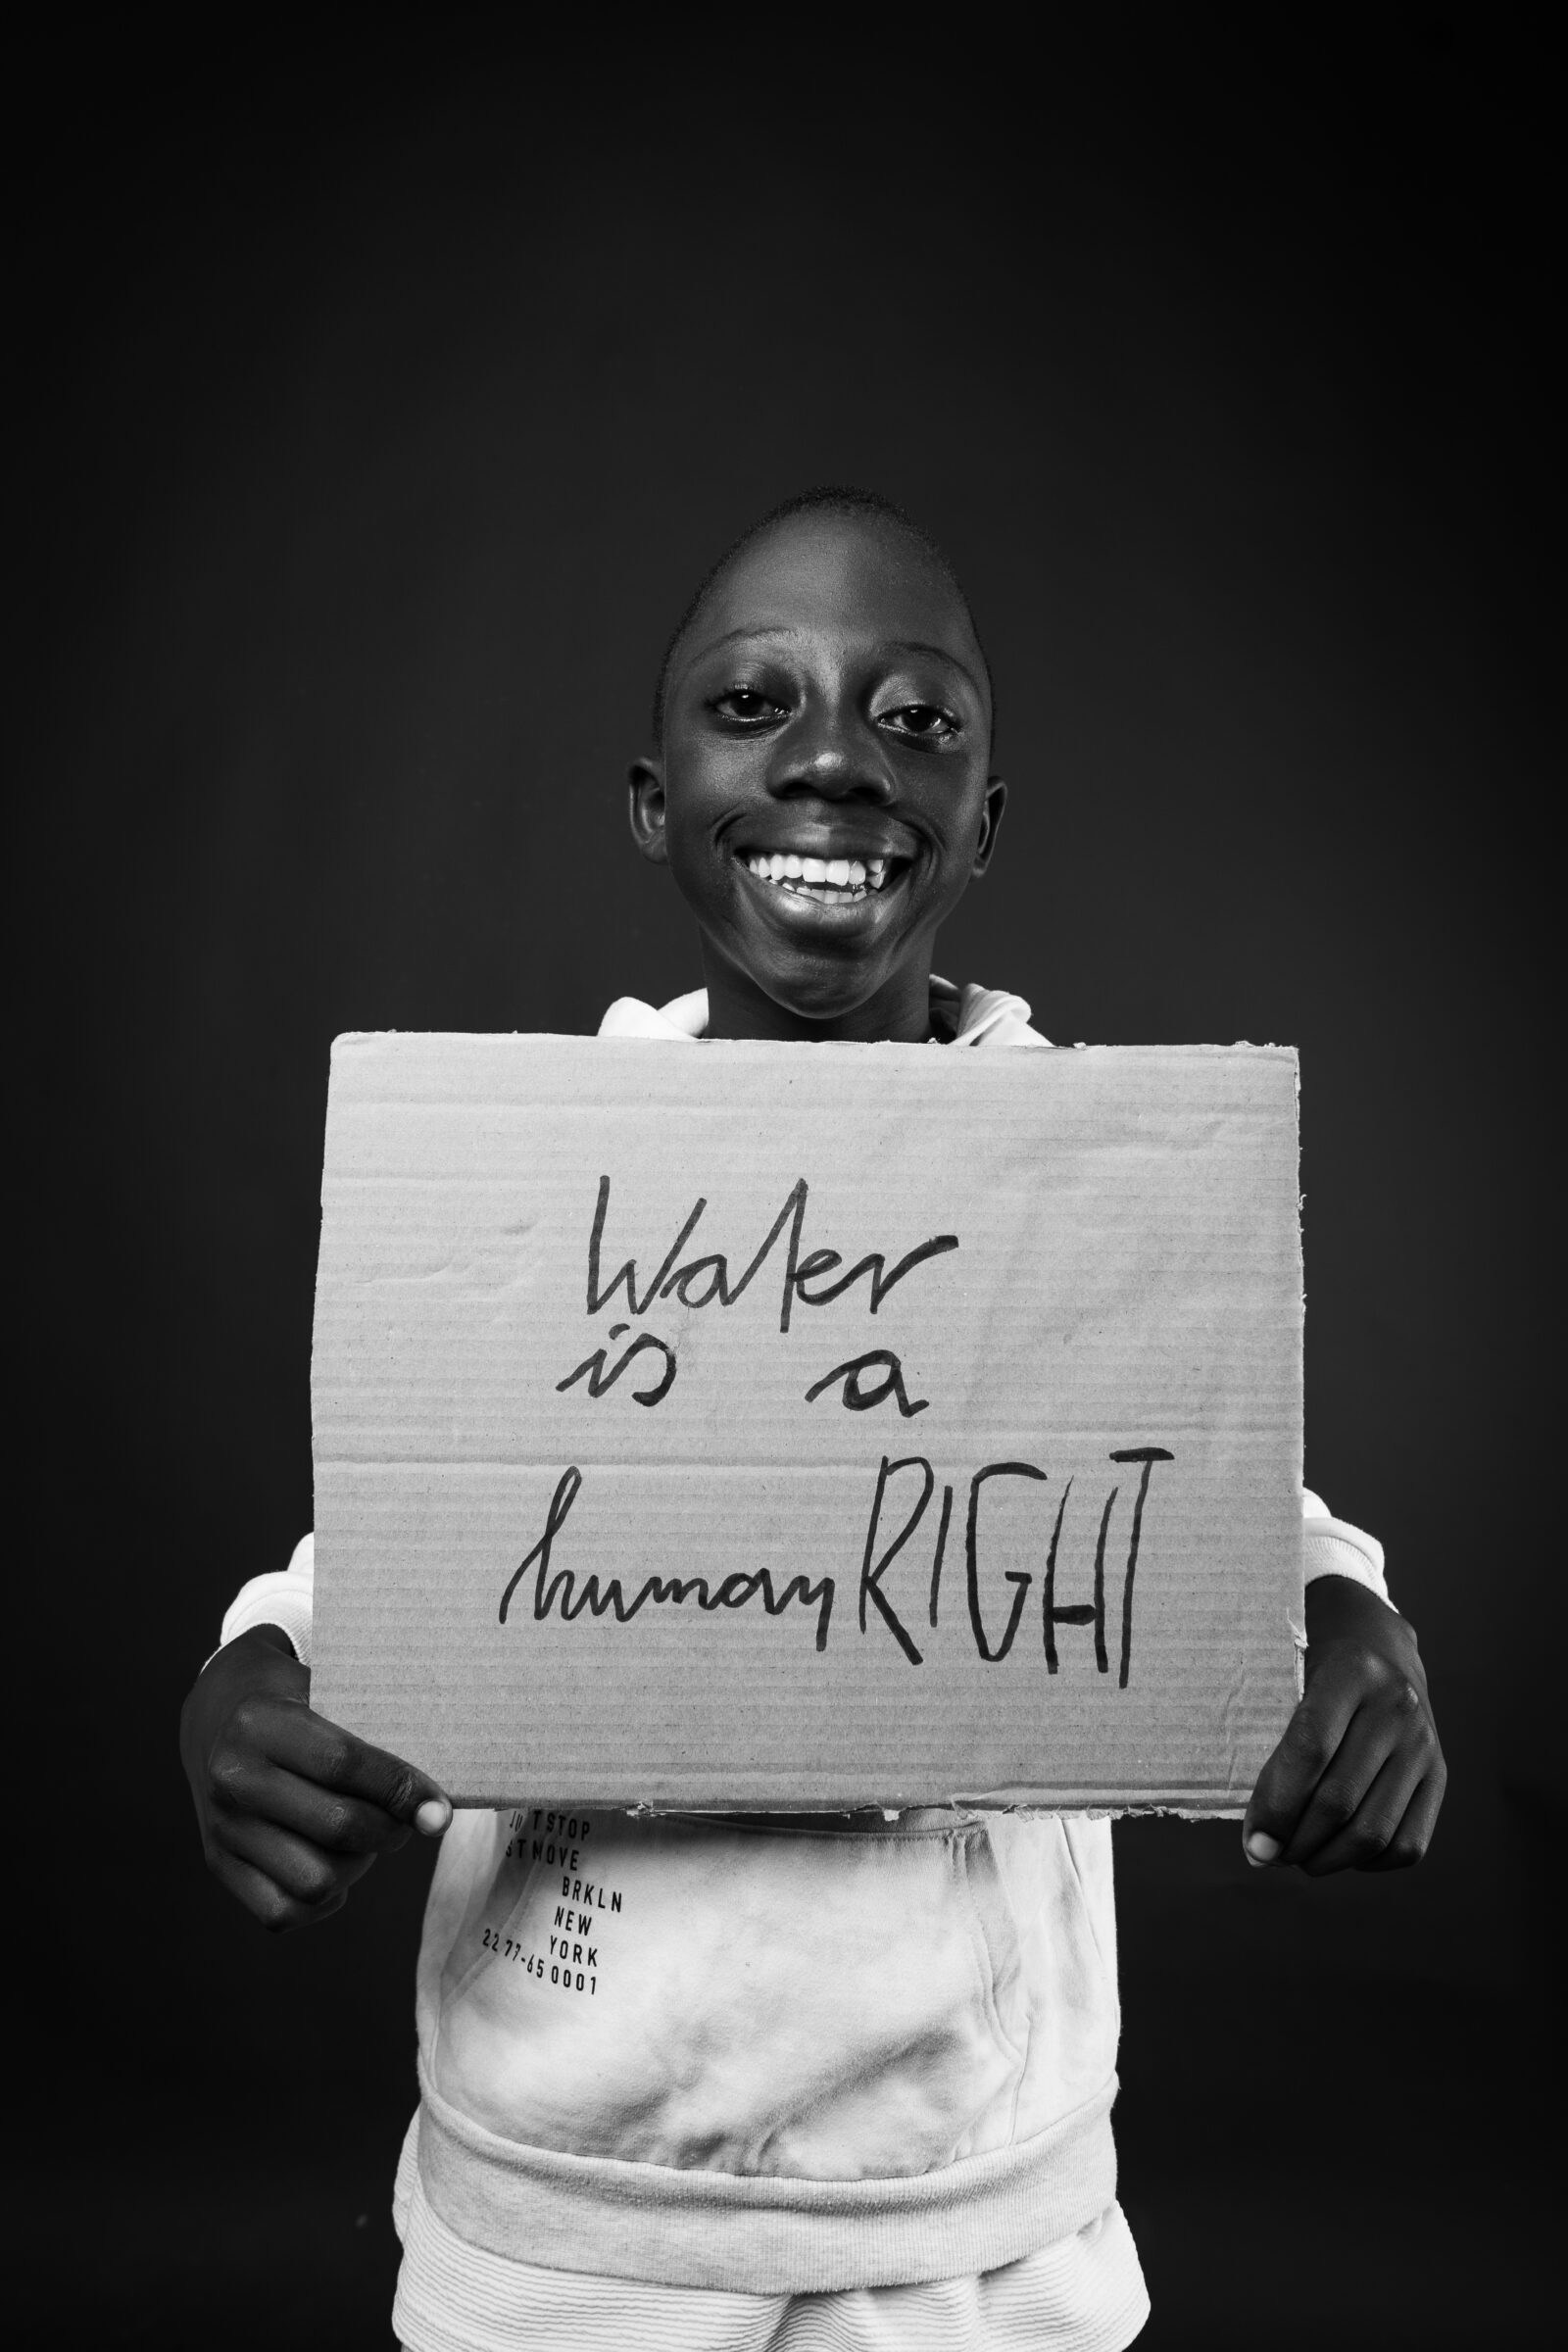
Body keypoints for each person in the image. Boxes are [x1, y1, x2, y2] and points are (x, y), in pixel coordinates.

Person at [180, 488, 1446, 2351]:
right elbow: (415, 1529)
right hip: (565, 2213)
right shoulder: (549, 1185)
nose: (839, 757)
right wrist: (250, 1679)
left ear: (981, 822)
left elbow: (1211, 1494)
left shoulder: (1086, 1186)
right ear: (654, 799)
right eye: (754, 704)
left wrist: (1350, 1620)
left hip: (974, 2224)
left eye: (915, 718)